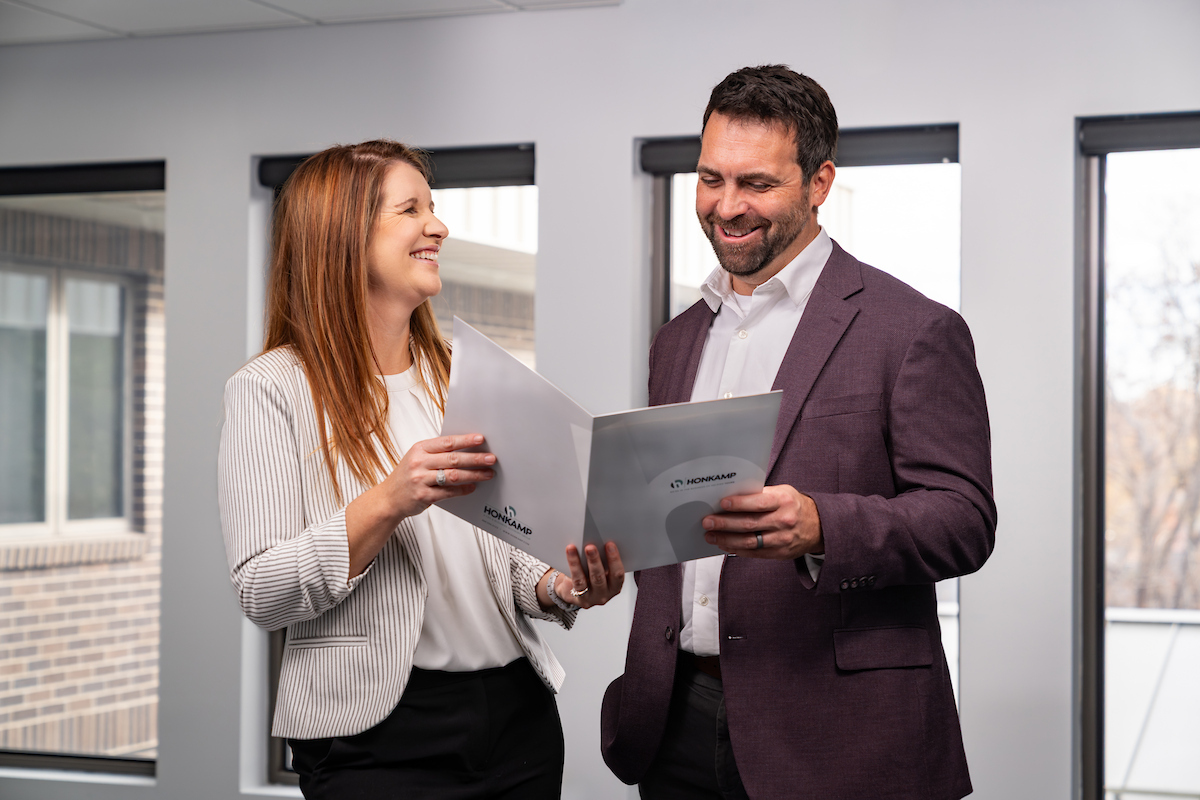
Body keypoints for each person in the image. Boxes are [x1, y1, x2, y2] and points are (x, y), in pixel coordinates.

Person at [601, 66, 996, 800]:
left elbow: (964, 521)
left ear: (820, 183)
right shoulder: (678, 339)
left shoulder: (912, 330)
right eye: (710, 179)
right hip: (674, 723)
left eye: (756, 183)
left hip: (841, 732)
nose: (726, 206)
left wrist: (822, 524)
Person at [218, 139, 624, 800]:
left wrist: (560, 585)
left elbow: (500, 541)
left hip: (516, 716)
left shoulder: (466, 376)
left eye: (432, 208)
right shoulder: (271, 390)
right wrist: (389, 500)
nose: (438, 225)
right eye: (410, 210)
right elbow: (263, 589)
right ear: (342, 236)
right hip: (376, 736)